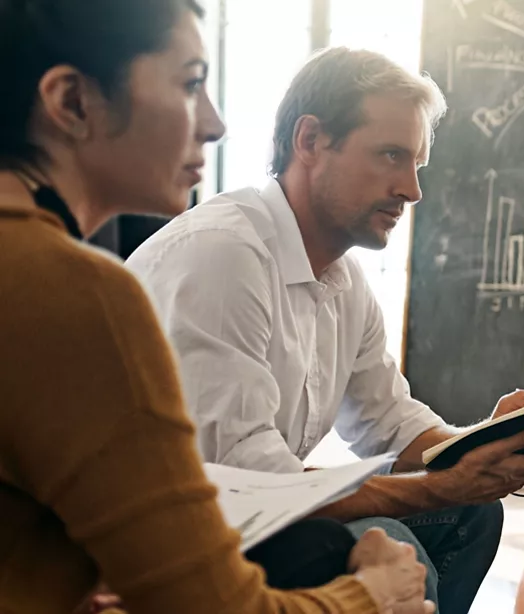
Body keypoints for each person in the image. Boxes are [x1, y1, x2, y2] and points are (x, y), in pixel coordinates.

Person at [0, 0, 431, 611]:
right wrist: (372, 594)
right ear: (72, 102)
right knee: (362, 557)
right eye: (190, 83)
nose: (215, 124)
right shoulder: (79, 292)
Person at [124, 46, 524, 614]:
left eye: (416, 165)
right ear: (309, 142)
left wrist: (483, 444)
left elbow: (390, 423)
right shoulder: (223, 255)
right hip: (169, 536)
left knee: (472, 515)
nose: (412, 189)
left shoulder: (342, 277)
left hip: (254, 513)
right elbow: (255, 483)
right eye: (390, 155)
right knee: (394, 544)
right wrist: (443, 484)